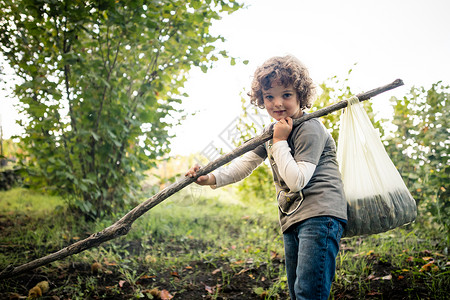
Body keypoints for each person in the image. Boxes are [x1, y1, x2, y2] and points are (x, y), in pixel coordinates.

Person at [185, 55, 347, 300]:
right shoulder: (273, 131)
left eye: (286, 95)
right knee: (296, 291)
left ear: (301, 95)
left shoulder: (309, 127)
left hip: (321, 215)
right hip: (293, 216)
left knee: (309, 292)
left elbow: (298, 180)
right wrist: (210, 179)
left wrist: (280, 141)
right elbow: (244, 164)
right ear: (261, 99)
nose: (277, 103)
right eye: (269, 96)